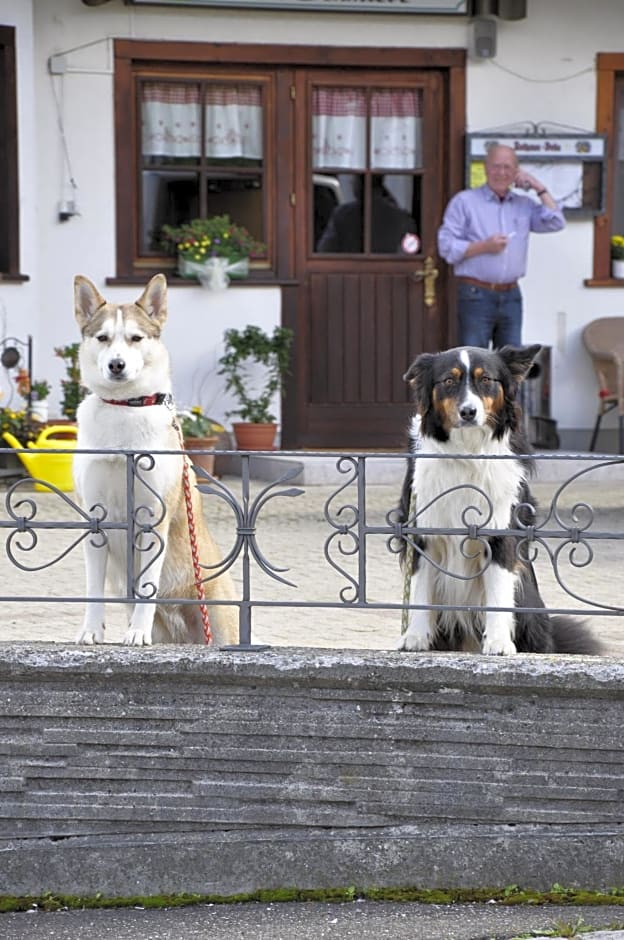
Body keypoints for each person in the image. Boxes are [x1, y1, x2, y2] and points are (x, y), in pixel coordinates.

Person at [437, 144, 565, 348]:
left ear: (516, 172)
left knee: (510, 364)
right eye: (496, 166)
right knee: (475, 362)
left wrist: (538, 186)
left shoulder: (524, 204)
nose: (501, 173)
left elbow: (556, 222)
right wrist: (484, 247)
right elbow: (446, 247)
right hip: (475, 294)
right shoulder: (465, 202)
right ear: (486, 168)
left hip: (511, 294)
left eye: (507, 167)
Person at [317, 175, 418, 254]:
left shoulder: (343, 215)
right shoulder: (401, 217)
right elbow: (409, 253)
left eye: (353, 180)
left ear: (359, 184)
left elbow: (324, 251)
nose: (351, 184)